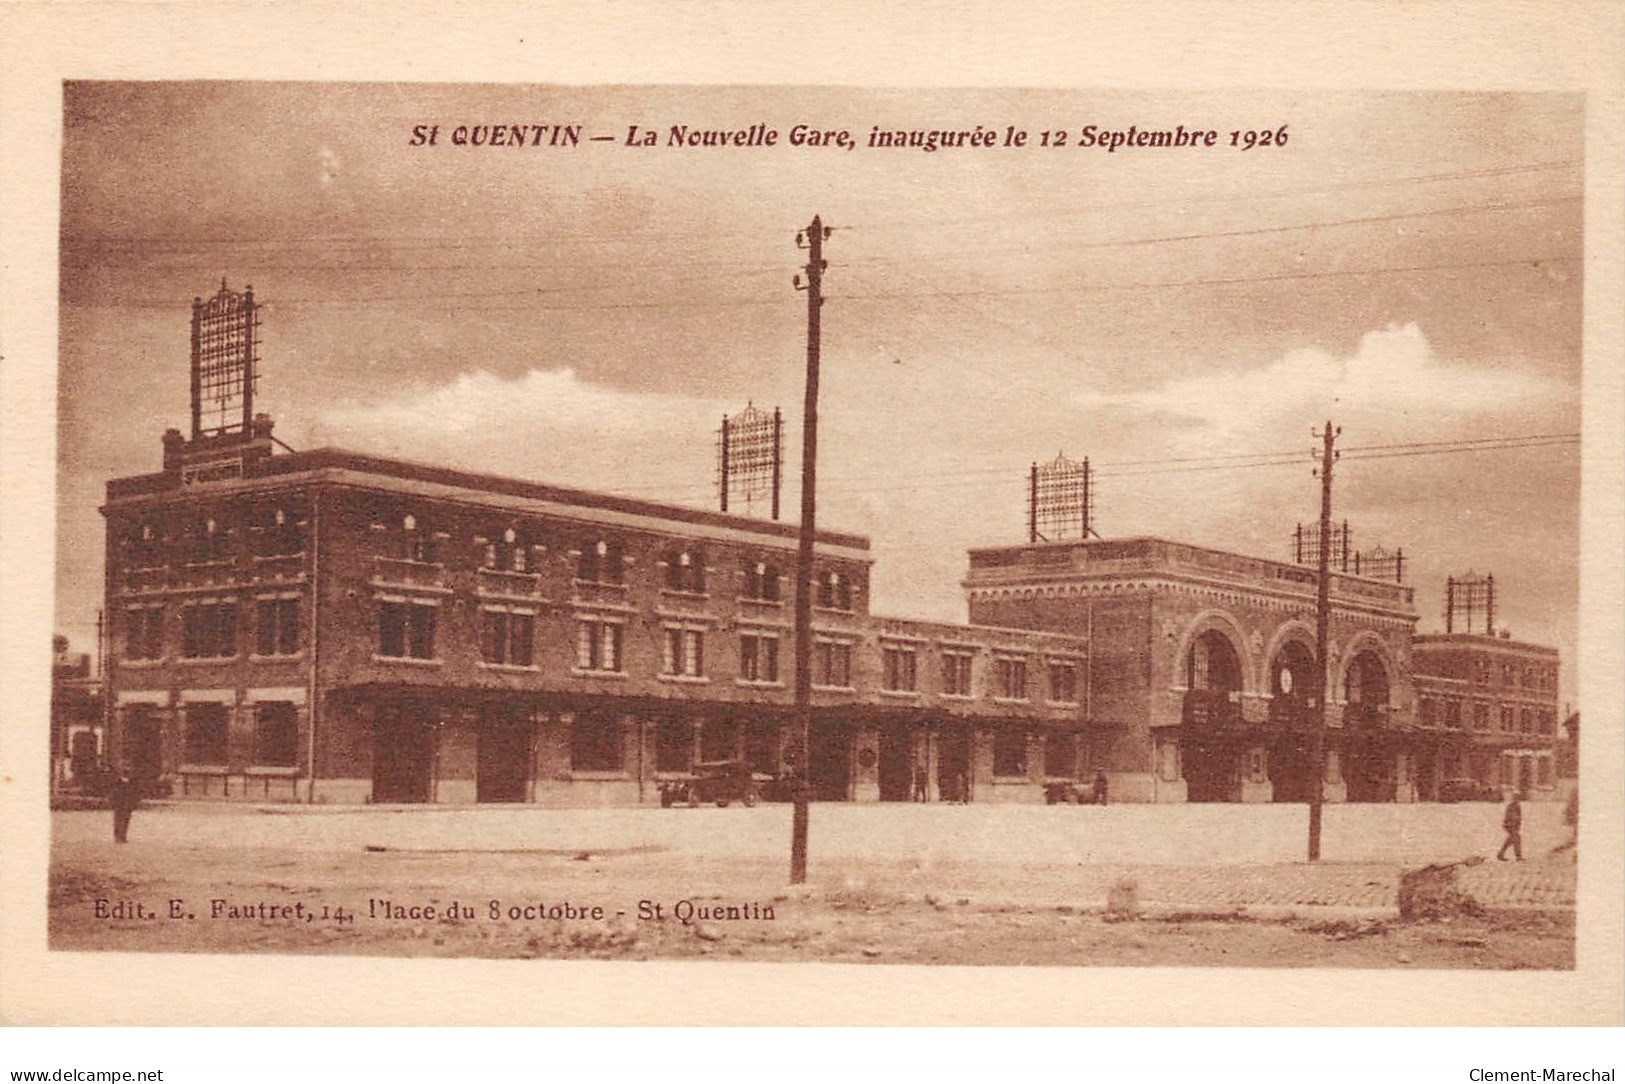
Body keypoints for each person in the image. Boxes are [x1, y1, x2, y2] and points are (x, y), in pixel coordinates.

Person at [108, 767, 139, 844]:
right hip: (120, 805)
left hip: (125, 805)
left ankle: (122, 836)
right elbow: (113, 794)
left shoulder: (130, 783)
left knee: (123, 820)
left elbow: (134, 795)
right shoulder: (119, 783)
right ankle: (119, 836)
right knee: (120, 820)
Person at [1497, 790, 1524, 861]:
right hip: (1511, 825)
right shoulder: (1511, 806)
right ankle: (1518, 856)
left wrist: (1518, 825)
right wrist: (1509, 824)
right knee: (1516, 839)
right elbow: (1509, 817)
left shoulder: (1517, 806)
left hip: (1514, 825)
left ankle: (1500, 854)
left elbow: (1518, 817)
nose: (1518, 799)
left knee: (1510, 840)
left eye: (1518, 798)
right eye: (1516, 797)